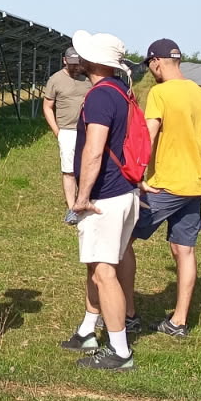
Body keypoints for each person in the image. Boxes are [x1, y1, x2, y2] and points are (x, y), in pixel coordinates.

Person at [131, 39, 201, 339]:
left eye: (150, 65)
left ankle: (127, 315)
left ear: (156, 63)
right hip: (195, 184)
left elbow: (147, 135)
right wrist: (198, 148)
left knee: (122, 240)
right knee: (183, 250)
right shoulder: (198, 93)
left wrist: (137, 173)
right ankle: (178, 321)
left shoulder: (159, 92)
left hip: (166, 185)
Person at [63, 32, 144, 372]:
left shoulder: (98, 97)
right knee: (102, 263)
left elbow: (94, 149)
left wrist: (81, 197)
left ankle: (120, 351)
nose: (76, 59)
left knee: (104, 272)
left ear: (93, 62)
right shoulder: (121, 91)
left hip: (104, 198)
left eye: (82, 55)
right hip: (126, 191)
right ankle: (88, 330)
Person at [43, 47, 94, 225]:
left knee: (89, 166)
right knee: (69, 170)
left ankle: (87, 200)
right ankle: (72, 208)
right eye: (71, 63)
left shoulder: (88, 78)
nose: (75, 67)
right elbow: (47, 106)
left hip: (89, 130)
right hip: (67, 130)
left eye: (77, 63)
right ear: (64, 60)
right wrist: (57, 131)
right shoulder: (56, 79)